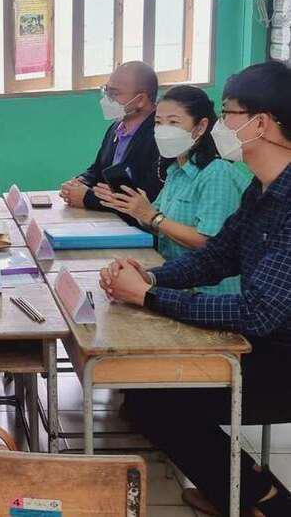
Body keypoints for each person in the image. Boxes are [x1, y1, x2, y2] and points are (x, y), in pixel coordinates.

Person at [100, 62, 291, 516]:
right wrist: (151, 278)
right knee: (146, 393)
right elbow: (216, 257)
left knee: (161, 402)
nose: (221, 126)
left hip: (280, 358)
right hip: (262, 343)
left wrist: (148, 297)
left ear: (260, 123)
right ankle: (237, 489)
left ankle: (264, 500)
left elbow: (259, 311)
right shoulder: (261, 190)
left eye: (227, 114)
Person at [94, 85, 249, 295]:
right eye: (158, 122)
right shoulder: (175, 171)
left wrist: (152, 216)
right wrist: (135, 208)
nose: (163, 130)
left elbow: (210, 243)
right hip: (174, 280)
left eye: (174, 122)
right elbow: (158, 225)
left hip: (211, 295)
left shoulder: (216, 173)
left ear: (200, 127)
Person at [60, 61, 162, 224]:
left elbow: (145, 197)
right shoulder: (116, 128)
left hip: (140, 226)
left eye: (114, 93)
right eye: (106, 91)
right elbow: (98, 170)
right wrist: (79, 182)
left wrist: (87, 198)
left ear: (141, 99)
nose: (107, 99)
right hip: (109, 221)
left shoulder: (160, 136)